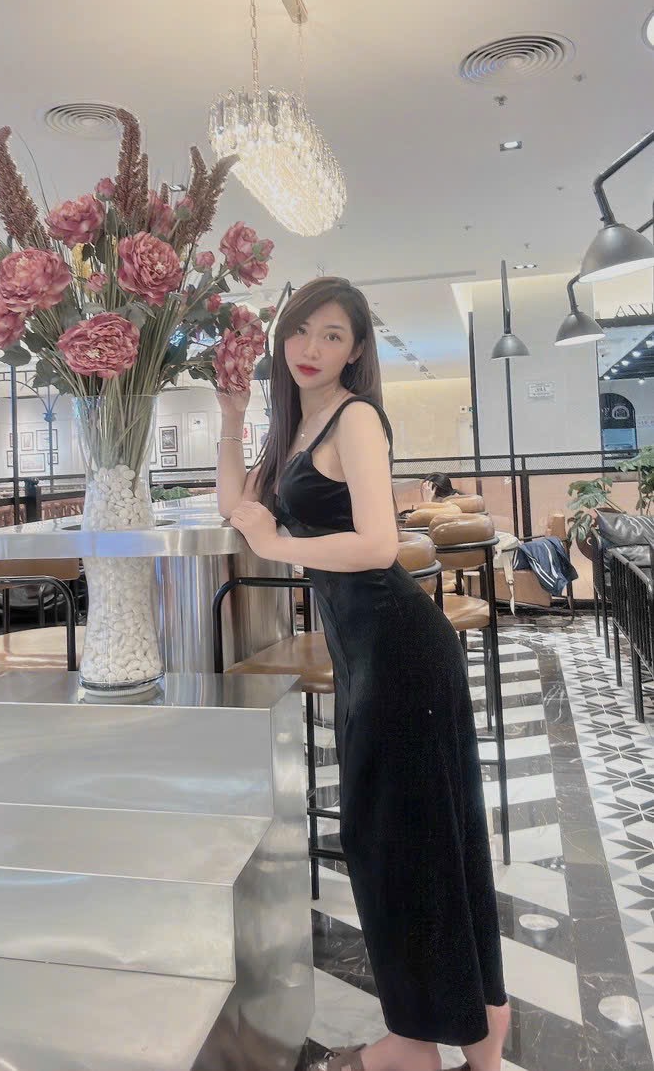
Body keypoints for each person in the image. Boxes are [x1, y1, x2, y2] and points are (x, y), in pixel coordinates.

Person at [217, 277, 509, 1071]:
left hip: (401, 651)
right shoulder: (295, 426)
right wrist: (233, 416)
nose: (311, 348)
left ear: (355, 351)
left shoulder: (354, 419)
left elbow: (379, 545)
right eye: (301, 330)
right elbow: (236, 508)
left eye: (333, 335)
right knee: (411, 838)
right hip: (366, 656)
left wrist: (279, 545)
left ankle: (419, 1042)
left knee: (405, 842)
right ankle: (473, 1023)